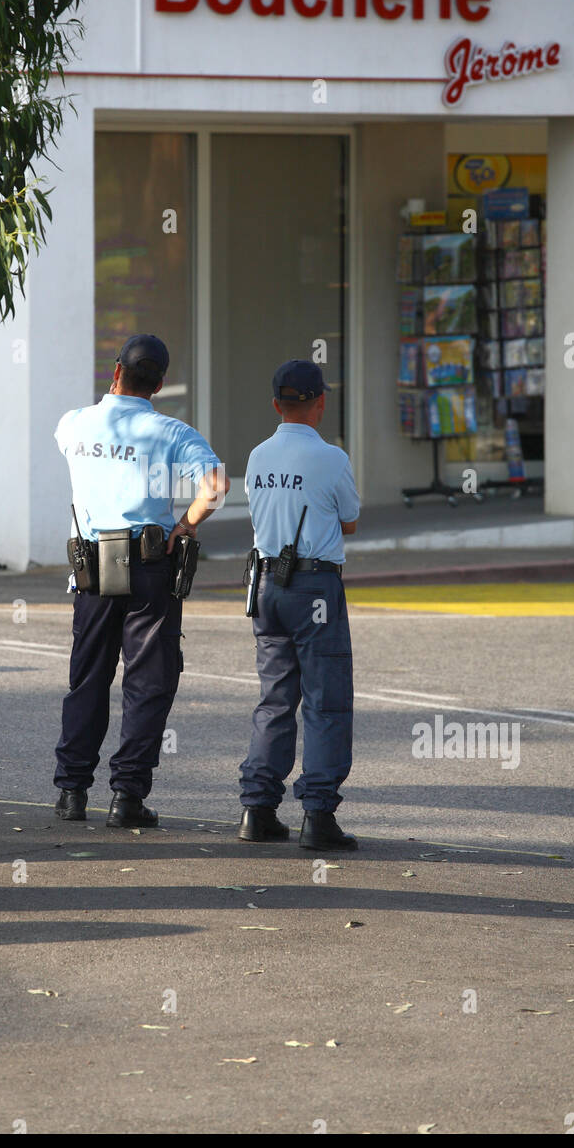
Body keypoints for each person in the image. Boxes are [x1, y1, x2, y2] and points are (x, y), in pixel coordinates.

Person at [53, 334, 229, 829]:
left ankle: (72, 791)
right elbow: (215, 485)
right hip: (151, 563)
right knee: (149, 681)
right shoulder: (172, 430)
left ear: (115, 371)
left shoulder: (74, 423)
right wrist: (186, 525)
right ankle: (127, 796)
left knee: (88, 677)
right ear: (161, 382)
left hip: (91, 567)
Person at [238, 359, 360, 851]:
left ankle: (258, 808)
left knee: (275, 699)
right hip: (314, 587)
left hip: (266, 584)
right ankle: (318, 814)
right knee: (326, 701)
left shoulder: (256, 455)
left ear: (275, 404)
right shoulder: (332, 458)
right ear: (320, 402)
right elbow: (350, 521)